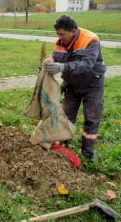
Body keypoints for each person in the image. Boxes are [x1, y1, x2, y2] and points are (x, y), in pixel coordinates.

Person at [45, 15, 106, 159]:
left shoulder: (91, 40)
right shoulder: (59, 42)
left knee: (91, 119)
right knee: (66, 116)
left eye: (62, 34)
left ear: (73, 31)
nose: (60, 38)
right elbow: (56, 59)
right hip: (72, 84)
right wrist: (46, 66)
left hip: (92, 84)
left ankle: (87, 155)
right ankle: (61, 148)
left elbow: (86, 65)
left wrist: (62, 66)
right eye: (58, 34)